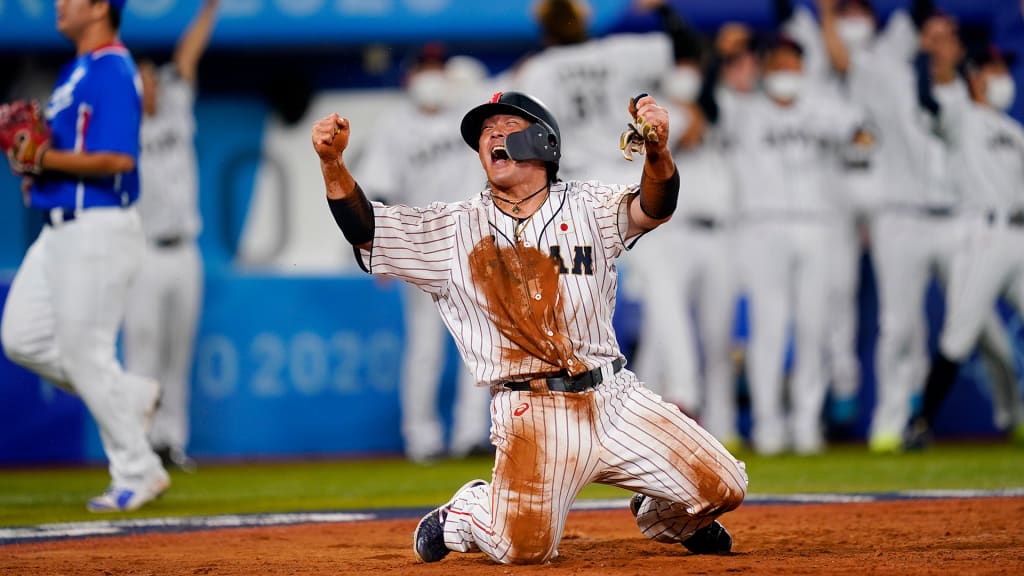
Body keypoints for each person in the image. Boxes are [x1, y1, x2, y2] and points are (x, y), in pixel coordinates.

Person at [311, 90, 747, 564]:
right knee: (522, 550)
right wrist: (333, 164)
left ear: (544, 143)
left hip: (614, 397)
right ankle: (469, 510)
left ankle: (663, 516)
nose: (492, 135)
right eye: (484, 132)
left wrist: (659, 152)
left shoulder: (588, 205)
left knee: (727, 486)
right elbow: (367, 228)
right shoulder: (455, 228)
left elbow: (655, 205)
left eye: (506, 126)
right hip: (532, 413)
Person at [818, 0, 1019, 452]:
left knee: (983, 326)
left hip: (958, 221)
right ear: (919, 37)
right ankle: (889, 425)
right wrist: (830, 15)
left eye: (950, 35)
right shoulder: (891, 79)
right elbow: (843, 60)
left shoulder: (971, 96)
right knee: (898, 326)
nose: (943, 41)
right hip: (901, 218)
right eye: (936, 33)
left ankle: (1011, 412)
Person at [0, 0, 169, 512]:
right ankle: (131, 397)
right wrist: (39, 174)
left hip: (97, 227)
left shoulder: (114, 67)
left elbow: (119, 157)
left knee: (84, 352)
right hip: (58, 229)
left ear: (99, 8)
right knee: (20, 337)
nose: (59, 4)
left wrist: (43, 157)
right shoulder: (76, 70)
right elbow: (58, 152)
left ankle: (138, 471)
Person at [720, 34, 870, 455]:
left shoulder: (821, 107)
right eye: (780, 64)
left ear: (804, 70)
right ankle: (769, 426)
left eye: (793, 65)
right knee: (769, 329)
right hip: (763, 226)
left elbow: (862, 131)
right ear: (766, 69)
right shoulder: (743, 110)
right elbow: (714, 104)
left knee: (813, 328)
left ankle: (806, 424)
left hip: (816, 225)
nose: (787, 72)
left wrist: (855, 136)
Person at [357, 44, 492, 462]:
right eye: (425, 68)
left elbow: (506, 85)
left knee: (481, 346)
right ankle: (422, 439)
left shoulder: (466, 115)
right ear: (410, 75)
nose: (432, 76)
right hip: (422, 243)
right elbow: (377, 187)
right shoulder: (394, 126)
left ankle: (471, 434)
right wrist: (379, 244)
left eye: (439, 67)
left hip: (473, 239)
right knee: (425, 347)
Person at [904, 46, 1024, 447]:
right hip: (982, 234)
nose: (1001, 76)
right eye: (992, 67)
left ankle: (1014, 418)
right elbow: (928, 103)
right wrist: (928, 61)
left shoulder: (1013, 131)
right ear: (975, 76)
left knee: (996, 346)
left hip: (1018, 234)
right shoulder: (963, 117)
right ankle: (920, 423)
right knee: (960, 334)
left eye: (1003, 68)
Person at [124, 0, 219, 473]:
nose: (151, 85)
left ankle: (171, 443)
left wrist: (210, 9)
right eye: (140, 79)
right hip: (141, 250)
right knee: (142, 353)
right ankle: (137, 449)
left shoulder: (176, 105)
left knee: (177, 355)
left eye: (152, 77)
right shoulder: (119, 125)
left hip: (183, 249)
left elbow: (187, 56)